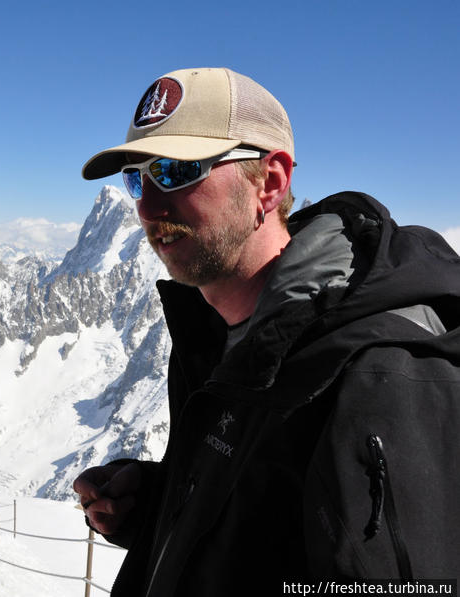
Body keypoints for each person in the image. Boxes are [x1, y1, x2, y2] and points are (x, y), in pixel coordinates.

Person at [73, 67, 460, 595]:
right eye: (138, 177)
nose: (146, 205)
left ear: (271, 182)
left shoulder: (376, 374)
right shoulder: (217, 338)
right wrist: (157, 504)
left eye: (175, 170)